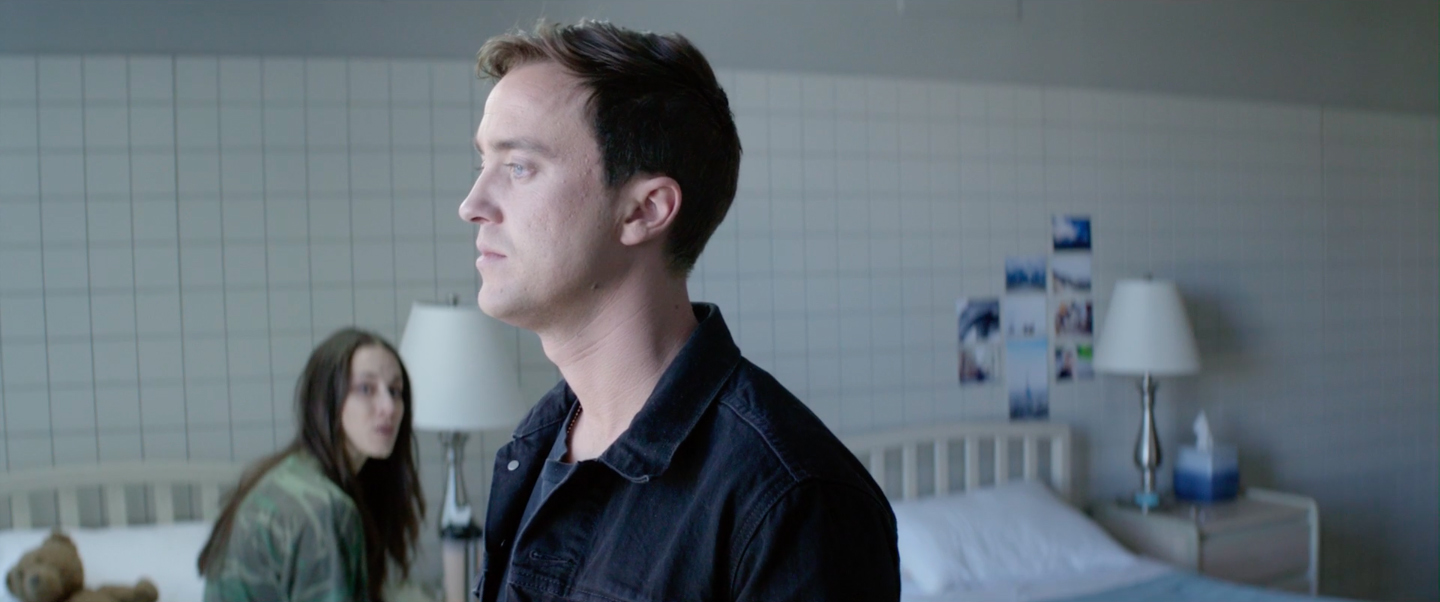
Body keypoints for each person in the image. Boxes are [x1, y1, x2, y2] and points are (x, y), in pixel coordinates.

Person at [460, 19, 900, 601]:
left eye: (518, 166)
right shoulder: (535, 444)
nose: (472, 204)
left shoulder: (793, 500)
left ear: (645, 211)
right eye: (483, 165)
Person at [197, 328, 425, 602]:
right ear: (327, 400)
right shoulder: (324, 507)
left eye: (395, 391)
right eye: (366, 389)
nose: (389, 407)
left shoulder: (291, 474)